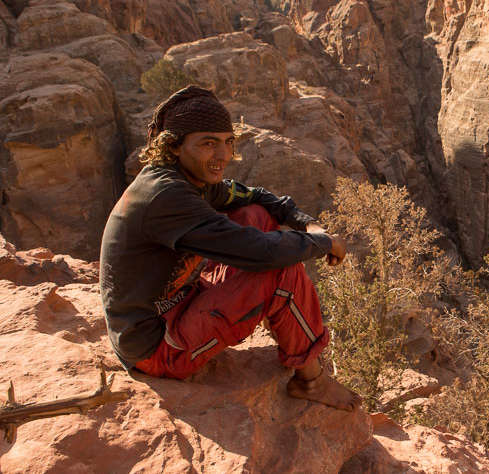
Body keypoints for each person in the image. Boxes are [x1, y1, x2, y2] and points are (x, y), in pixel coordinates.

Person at [100, 86, 359, 410]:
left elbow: (258, 198)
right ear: (175, 146)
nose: (223, 155)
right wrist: (323, 243)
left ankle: (275, 320)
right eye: (209, 143)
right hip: (155, 347)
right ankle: (311, 381)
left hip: (177, 302)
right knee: (280, 273)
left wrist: (308, 224)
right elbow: (261, 251)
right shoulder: (167, 196)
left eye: (228, 142)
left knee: (255, 216)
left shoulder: (190, 180)